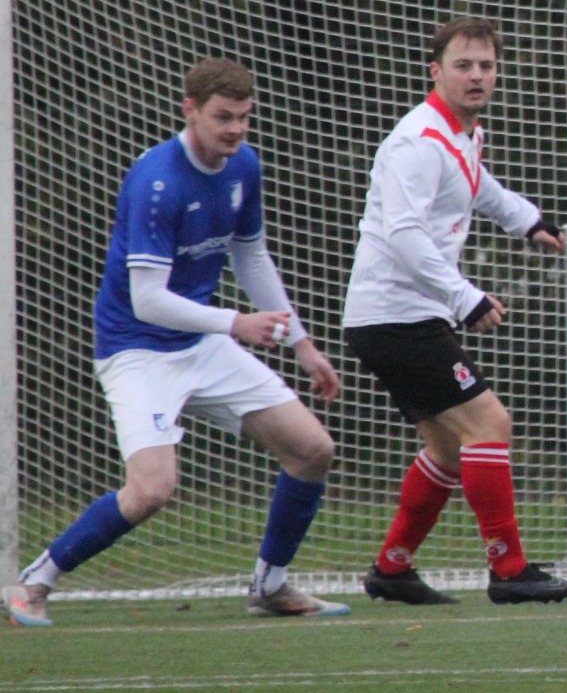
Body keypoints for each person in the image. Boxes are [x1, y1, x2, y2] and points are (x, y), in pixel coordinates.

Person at [5, 59, 346, 626]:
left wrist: (302, 345)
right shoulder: (156, 181)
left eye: (244, 117)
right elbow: (147, 300)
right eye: (222, 118)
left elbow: (250, 253)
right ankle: (33, 582)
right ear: (189, 110)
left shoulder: (244, 166)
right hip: (136, 348)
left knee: (313, 449)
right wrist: (236, 323)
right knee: (153, 488)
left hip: (200, 342)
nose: (235, 130)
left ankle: (272, 585)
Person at [342, 17, 567, 607]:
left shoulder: (459, 136)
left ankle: (392, 569)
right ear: (436, 71)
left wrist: (528, 220)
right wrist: (464, 296)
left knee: (450, 451)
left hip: (400, 317)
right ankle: (510, 571)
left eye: (485, 65)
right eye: (463, 65)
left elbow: (480, 190)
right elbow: (402, 233)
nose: (476, 76)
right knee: (490, 425)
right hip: (396, 317)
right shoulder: (418, 142)